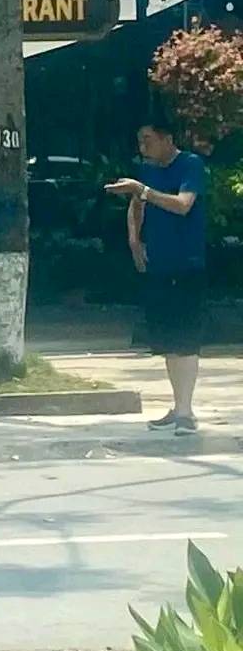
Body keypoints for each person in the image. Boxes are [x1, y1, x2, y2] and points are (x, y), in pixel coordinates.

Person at [105, 119, 206, 436]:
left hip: (186, 263)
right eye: (140, 140)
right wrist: (135, 241)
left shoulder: (190, 164)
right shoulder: (147, 171)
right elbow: (137, 206)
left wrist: (143, 191)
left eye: (147, 139)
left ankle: (186, 413)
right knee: (167, 339)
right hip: (158, 263)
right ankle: (178, 406)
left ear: (167, 139)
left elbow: (183, 205)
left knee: (185, 338)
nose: (143, 146)